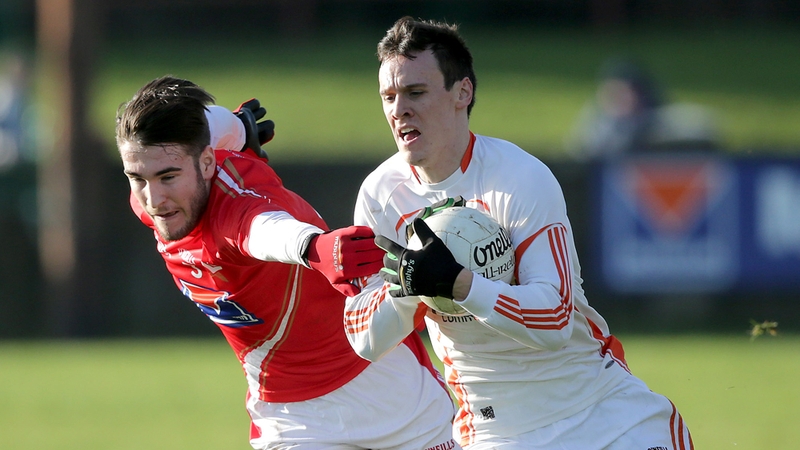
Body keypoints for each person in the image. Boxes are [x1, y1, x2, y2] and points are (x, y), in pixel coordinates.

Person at [344, 17, 694, 449]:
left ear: (463, 93)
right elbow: (364, 338)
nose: (399, 110)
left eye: (415, 92)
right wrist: (408, 285)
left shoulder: (519, 177)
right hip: (497, 430)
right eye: (389, 97)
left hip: (601, 413)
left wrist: (459, 284)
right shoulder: (382, 196)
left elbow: (555, 320)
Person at [115, 76, 460, 450]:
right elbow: (211, 123)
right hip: (290, 417)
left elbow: (266, 231)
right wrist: (239, 126)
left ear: (208, 162)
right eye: (137, 178)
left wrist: (315, 248)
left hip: (388, 385)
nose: (154, 199)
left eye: (168, 177)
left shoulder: (233, 211)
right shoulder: (162, 190)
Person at [566, 57, 720, 159]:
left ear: (639, 95)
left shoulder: (666, 122)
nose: (616, 100)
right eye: (610, 94)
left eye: (622, 93)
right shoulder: (596, 127)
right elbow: (580, 155)